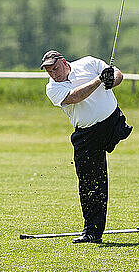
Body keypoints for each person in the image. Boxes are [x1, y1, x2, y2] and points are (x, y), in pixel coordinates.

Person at [41, 49, 132, 244]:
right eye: (49, 71)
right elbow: (75, 97)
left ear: (64, 62)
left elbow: (118, 74)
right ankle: (93, 231)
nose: (53, 74)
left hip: (112, 124)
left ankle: (92, 229)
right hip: (87, 136)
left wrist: (111, 80)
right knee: (91, 183)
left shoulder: (88, 63)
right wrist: (99, 80)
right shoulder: (52, 89)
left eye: (55, 68)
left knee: (94, 178)